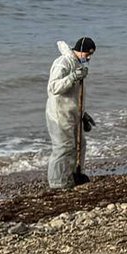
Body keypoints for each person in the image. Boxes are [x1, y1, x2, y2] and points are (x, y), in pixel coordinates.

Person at [46, 37, 96, 189]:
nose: (88, 58)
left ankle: (74, 174)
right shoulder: (63, 63)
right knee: (63, 147)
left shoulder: (78, 64)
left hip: (74, 113)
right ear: (79, 50)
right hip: (59, 113)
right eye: (87, 54)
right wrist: (72, 77)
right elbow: (53, 88)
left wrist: (83, 114)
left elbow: (76, 95)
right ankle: (57, 183)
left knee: (80, 145)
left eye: (90, 55)